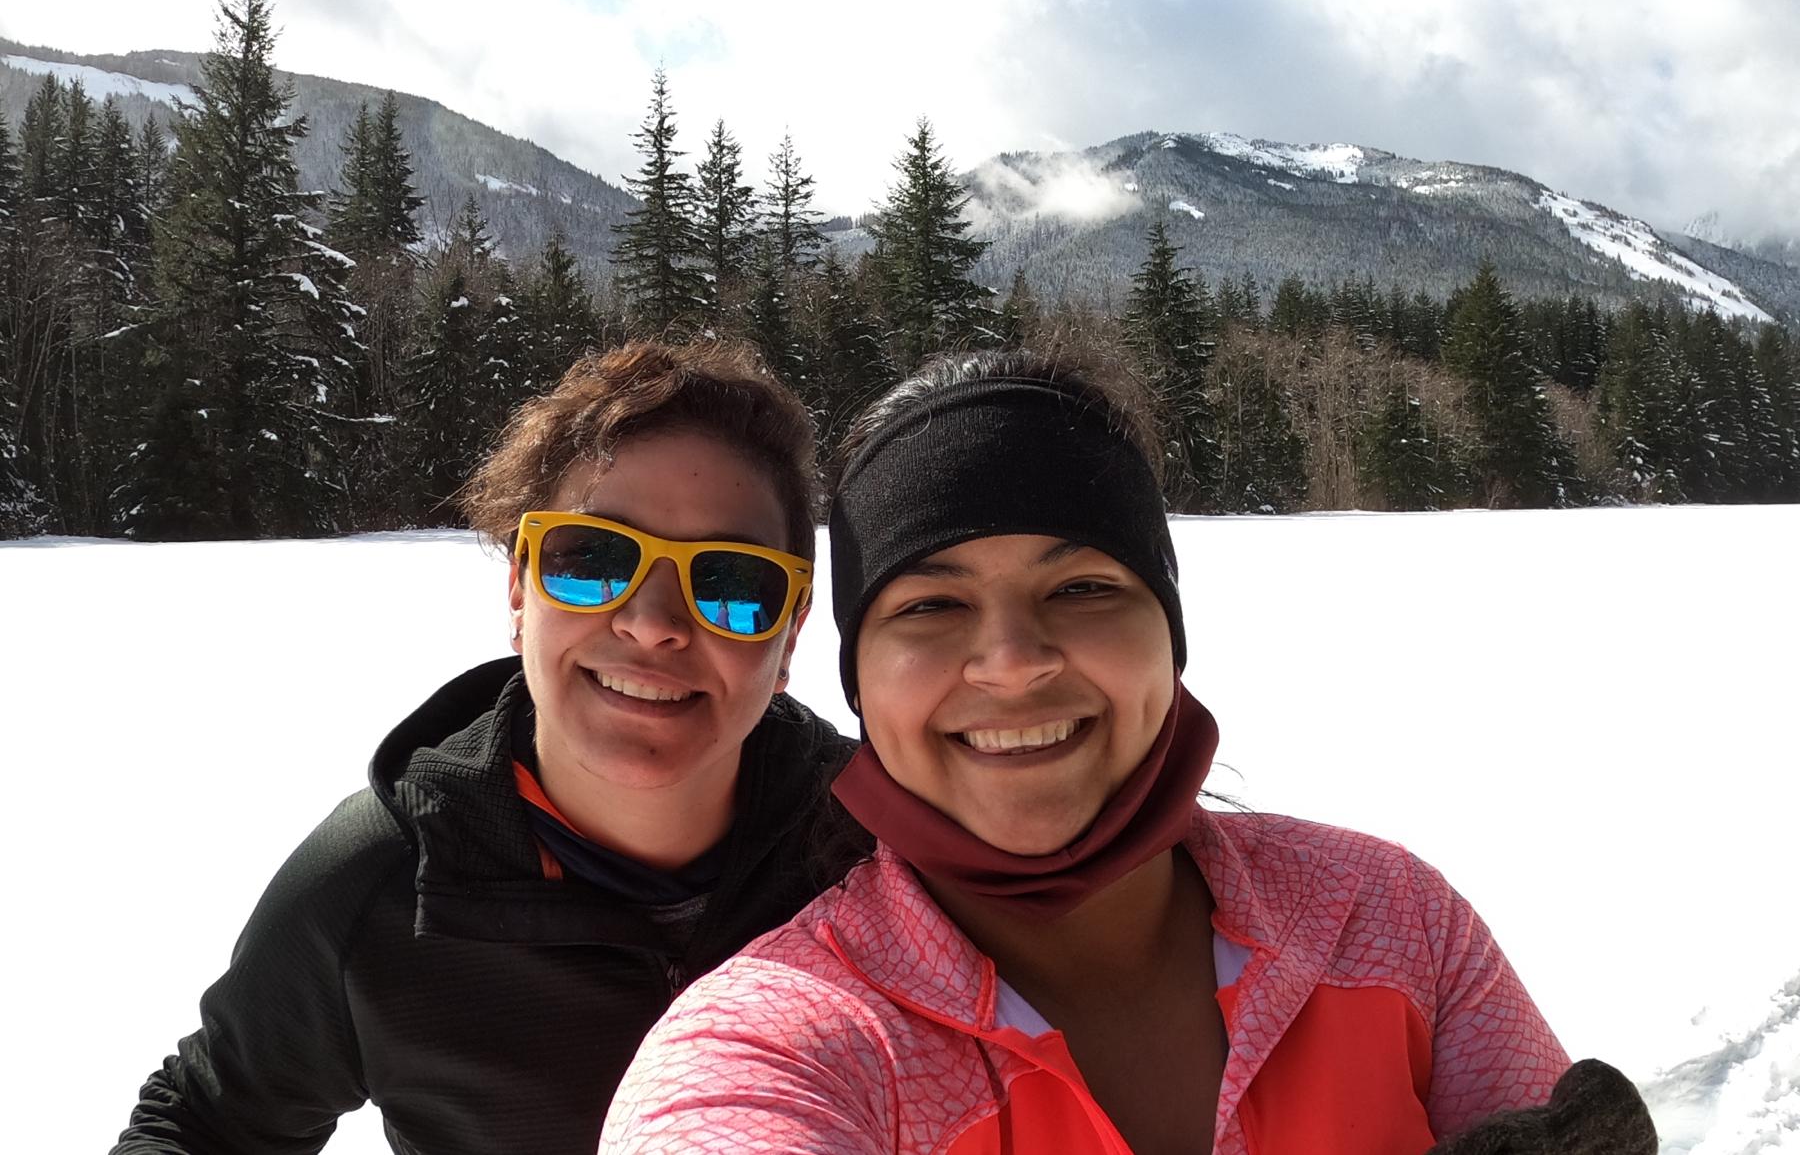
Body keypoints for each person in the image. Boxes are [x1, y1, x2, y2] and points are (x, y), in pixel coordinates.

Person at [600, 348, 1614, 1155]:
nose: (1011, 662)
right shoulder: (777, 1044)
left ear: (1168, 636)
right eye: (932, 604)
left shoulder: (1390, 922)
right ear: (859, 680)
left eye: (1082, 589)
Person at [114, 341, 861, 1155]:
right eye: (593, 559)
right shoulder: (385, 881)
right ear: (519, 590)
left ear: (789, 635)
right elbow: (208, 1122)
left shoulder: (879, 856)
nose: (652, 622)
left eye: (730, 583)